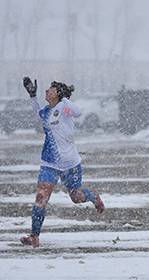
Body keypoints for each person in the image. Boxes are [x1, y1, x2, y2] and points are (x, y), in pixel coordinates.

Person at [19, 77, 105, 247]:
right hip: (49, 162)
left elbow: (78, 112)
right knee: (41, 197)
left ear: (57, 93)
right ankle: (34, 236)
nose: (46, 91)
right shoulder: (46, 111)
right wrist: (32, 96)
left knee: (76, 197)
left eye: (50, 89)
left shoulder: (64, 107)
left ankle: (93, 196)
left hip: (70, 163)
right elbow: (37, 114)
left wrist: (64, 97)